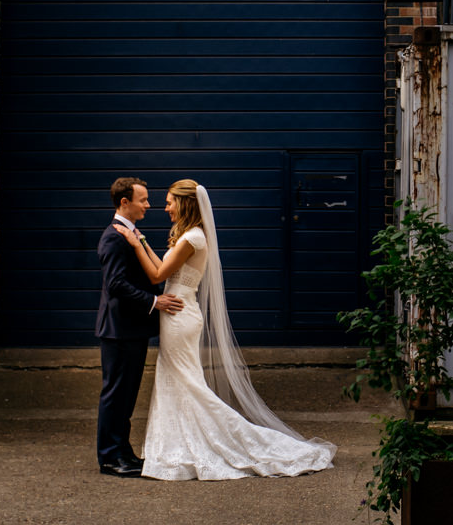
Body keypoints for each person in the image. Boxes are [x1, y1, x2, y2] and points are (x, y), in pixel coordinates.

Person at [113, 179, 336, 480]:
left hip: (180, 317)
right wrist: (140, 239)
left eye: (169, 202)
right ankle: (176, 448)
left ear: (184, 203)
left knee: (189, 384)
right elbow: (163, 269)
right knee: (179, 380)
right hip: (176, 313)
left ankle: (224, 442)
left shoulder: (193, 238)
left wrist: (133, 241)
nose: (164, 207)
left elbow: (156, 275)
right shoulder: (190, 236)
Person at [95, 177, 183, 478]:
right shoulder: (113, 237)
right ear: (124, 202)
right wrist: (154, 301)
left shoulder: (131, 234)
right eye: (143, 200)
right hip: (118, 330)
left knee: (127, 395)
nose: (148, 205)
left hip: (132, 329)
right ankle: (109, 458)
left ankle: (123, 452)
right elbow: (116, 284)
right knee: (116, 394)